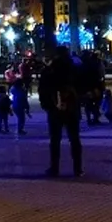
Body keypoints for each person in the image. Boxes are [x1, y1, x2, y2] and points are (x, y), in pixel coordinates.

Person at [38, 47, 83, 177]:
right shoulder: (74, 69)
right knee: (74, 138)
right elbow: (81, 87)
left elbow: (43, 90)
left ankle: (54, 167)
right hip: (72, 107)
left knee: (55, 139)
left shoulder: (49, 70)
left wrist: (46, 105)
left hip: (54, 108)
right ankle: (78, 168)